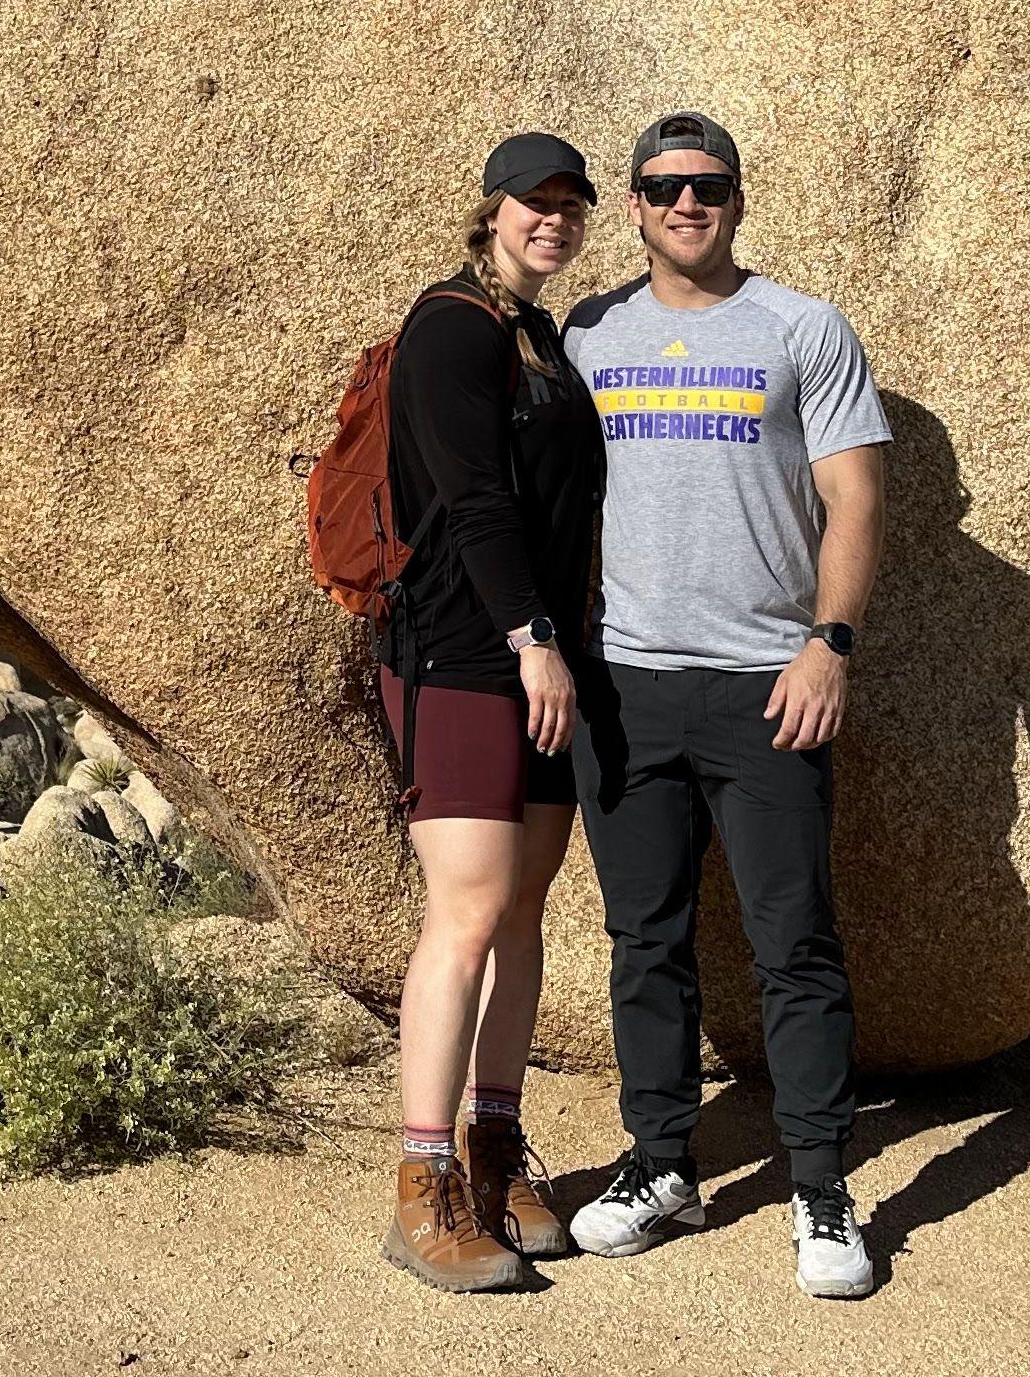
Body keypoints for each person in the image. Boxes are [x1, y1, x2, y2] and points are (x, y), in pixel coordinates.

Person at [562, 111, 892, 1300]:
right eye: (662, 187)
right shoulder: (591, 331)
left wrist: (829, 645)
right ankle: (660, 1167)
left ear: (738, 199)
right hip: (628, 686)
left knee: (792, 945)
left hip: (767, 688)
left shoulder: (803, 329)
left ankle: (819, 1188)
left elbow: (855, 497)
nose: (686, 204)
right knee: (643, 942)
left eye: (707, 186)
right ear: (636, 206)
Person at [373, 132, 609, 1293]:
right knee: (465, 912)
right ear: (491, 210)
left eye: (570, 205)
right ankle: (423, 1187)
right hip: (463, 658)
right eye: (534, 202)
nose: (552, 220)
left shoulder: (540, 336)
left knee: (522, 911)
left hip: (547, 663)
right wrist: (530, 640)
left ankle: (496, 1148)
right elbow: (471, 500)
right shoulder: (451, 327)